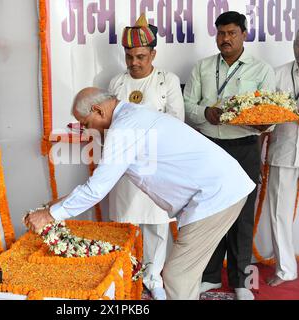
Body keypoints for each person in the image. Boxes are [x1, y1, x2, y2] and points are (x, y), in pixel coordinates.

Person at [25, 87, 255, 300]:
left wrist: (50, 215)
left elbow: (97, 189)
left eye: (86, 123)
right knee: (183, 275)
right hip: (219, 189)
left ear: (98, 110)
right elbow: (101, 182)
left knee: (176, 276)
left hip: (215, 194)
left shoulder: (124, 128)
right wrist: (55, 206)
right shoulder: (131, 118)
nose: (88, 129)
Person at [183, 11, 276, 300]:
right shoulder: (202, 67)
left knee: (242, 216)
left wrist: (261, 121)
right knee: (208, 213)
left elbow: (269, 117)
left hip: (245, 147)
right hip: (209, 148)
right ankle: (210, 276)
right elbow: (187, 106)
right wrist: (207, 113)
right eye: (221, 33)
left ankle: (240, 282)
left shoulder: (262, 70)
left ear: (244, 34)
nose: (225, 39)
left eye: (232, 33)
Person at [107, 13, 184, 300]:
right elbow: (110, 123)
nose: (134, 63)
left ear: (153, 54)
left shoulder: (167, 81)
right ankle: (126, 275)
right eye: (129, 57)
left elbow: (177, 122)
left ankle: (153, 277)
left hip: (157, 165)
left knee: (156, 225)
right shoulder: (116, 83)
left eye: (140, 56)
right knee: (125, 225)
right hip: (125, 167)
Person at [265, 25, 299, 287]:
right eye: (297, 44)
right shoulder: (277, 75)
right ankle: (285, 269)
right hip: (283, 150)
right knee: (279, 211)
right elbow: (265, 117)